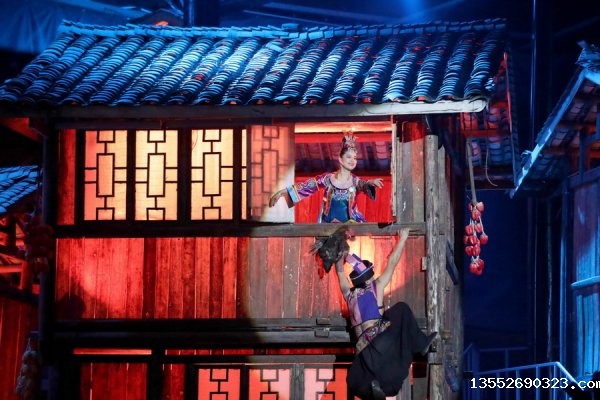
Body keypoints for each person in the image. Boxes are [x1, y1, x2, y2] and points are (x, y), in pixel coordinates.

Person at [334, 228, 437, 400]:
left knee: (353, 381)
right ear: (368, 276)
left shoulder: (349, 295)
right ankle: (420, 345)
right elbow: (392, 263)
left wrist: (339, 259)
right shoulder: (376, 287)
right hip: (381, 343)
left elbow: (339, 274)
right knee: (401, 309)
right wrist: (402, 239)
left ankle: (375, 392)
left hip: (364, 351)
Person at [268, 133, 383, 223]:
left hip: (350, 226)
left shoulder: (355, 181)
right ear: (340, 159)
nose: (353, 160)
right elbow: (305, 187)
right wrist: (282, 192)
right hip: (327, 226)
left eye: (355, 158)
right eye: (349, 157)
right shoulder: (326, 179)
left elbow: (364, 185)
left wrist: (370, 183)